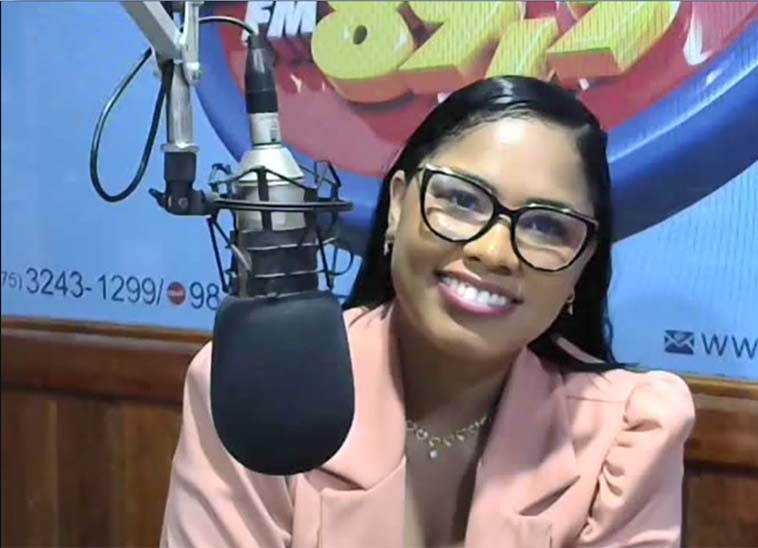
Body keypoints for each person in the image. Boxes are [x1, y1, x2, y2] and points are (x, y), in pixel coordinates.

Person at [160, 75, 695, 548]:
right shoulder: (265, 389)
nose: (494, 252)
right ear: (397, 205)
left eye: (546, 226)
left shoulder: (627, 435)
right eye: (462, 200)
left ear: (581, 266)